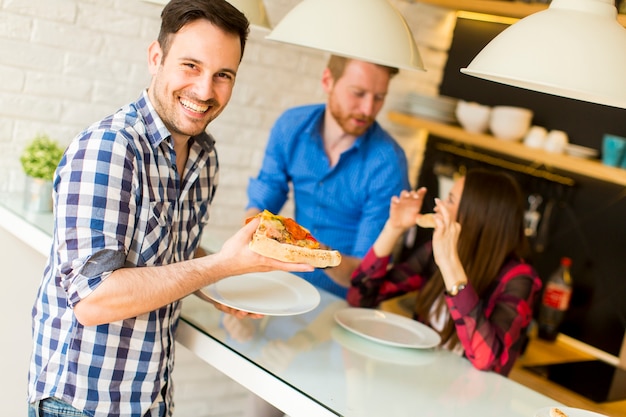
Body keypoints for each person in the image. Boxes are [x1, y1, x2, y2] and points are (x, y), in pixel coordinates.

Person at [26, 1, 314, 416]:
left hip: (150, 397)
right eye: (191, 66)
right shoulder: (109, 150)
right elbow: (93, 300)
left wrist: (225, 280)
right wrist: (220, 267)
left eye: (223, 75)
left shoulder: (204, 156)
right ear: (155, 58)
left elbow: (169, 254)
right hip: (80, 403)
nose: (204, 90)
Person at [348, 168, 542, 376]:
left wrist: (450, 266)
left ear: (475, 215)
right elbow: (359, 297)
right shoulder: (435, 252)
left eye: (449, 200)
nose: (439, 206)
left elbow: (487, 360)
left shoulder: (519, 278)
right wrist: (393, 228)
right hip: (417, 382)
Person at [245, 55, 411, 298]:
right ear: (327, 81)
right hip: (288, 285)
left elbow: (362, 273)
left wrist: (313, 252)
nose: (368, 109)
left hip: (343, 302)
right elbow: (261, 202)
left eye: (379, 98)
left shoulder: (388, 163)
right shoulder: (291, 126)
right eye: (358, 93)